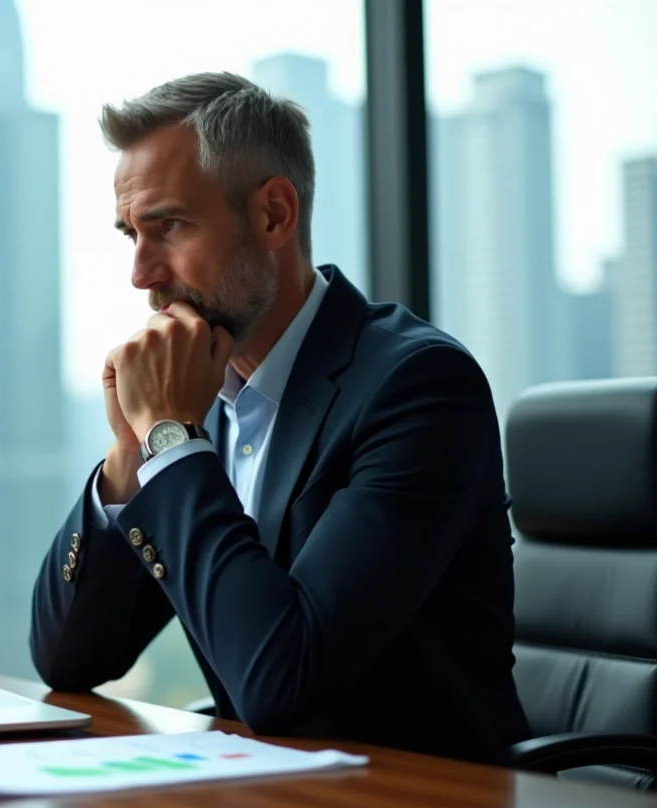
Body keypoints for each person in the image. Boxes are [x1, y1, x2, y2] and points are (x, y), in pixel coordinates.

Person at [28, 72, 531, 764]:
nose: (141, 274)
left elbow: (283, 680)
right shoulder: (206, 397)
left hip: (418, 800)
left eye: (168, 225)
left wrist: (171, 440)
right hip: (270, 790)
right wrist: (129, 454)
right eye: (130, 235)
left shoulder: (417, 387)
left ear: (272, 215)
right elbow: (68, 657)